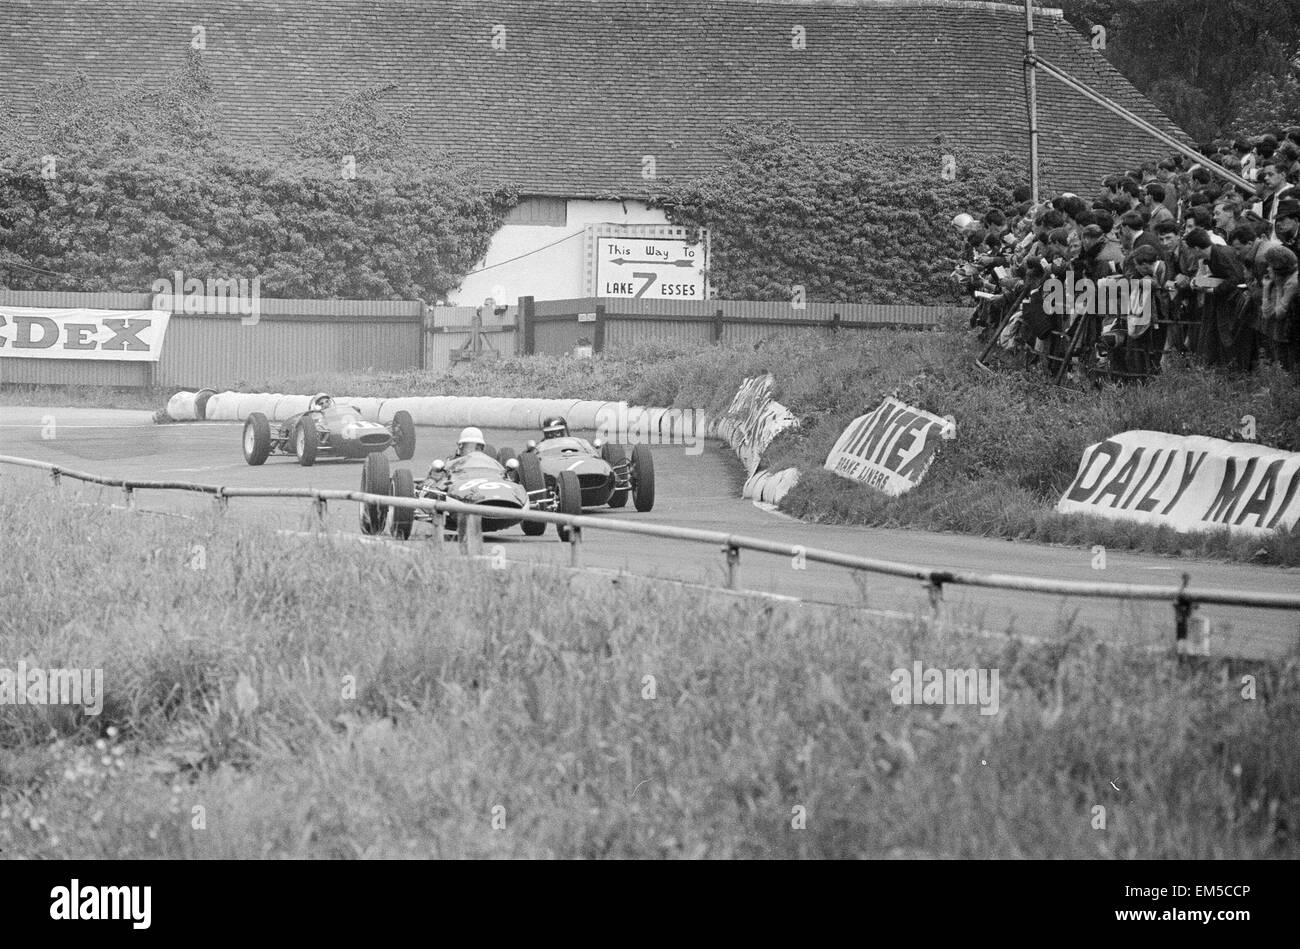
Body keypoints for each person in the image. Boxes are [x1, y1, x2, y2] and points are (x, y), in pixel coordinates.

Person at [1260, 245, 1299, 370]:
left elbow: (1278, 314)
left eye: (1270, 265)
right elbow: (1267, 315)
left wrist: (1272, 288)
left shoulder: (1291, 283)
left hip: (1291, 333)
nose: (1267, 268)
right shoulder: (1282, 280)